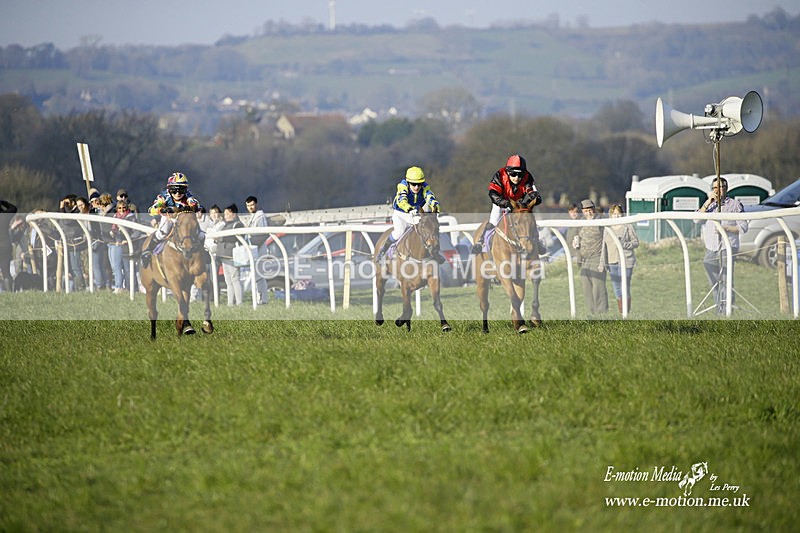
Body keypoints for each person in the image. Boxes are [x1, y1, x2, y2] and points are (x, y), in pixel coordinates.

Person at [696, 176, 748, 314]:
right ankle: (719, 305)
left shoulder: (735, 205)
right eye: (715, 188)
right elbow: (696, 219)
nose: (718, 190)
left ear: (726, 188)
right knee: (713, 277)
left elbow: (743, 227)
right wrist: (708, 202)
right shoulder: (710, 205)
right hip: (711, 247)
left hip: (728, 246)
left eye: (721, 187)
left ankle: (726, 309)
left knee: (726, 278)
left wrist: (725, 229)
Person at [472, 154, 542, 253]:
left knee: (528, 220)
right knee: (494, 220)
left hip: (518, 203)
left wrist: (531, 199)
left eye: (520, 175)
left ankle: (538, 242)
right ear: (508, 172)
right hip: (501, 201)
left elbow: (534, 194)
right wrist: (506, 203)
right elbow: (493, 194)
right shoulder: (499, 175)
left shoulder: (527, 177)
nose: (517, 178)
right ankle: (481, 241)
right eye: (513, 174)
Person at [376, 166, 443, 261]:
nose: (416, 187)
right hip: (401, 213)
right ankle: (383, 250)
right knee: (399, 232)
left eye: (419, 184)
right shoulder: (402, 187)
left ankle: (435, 253)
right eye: (413, 184)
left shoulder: (424, 187)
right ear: (408, 182)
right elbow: (402, 201)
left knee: (427, 228)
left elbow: (430, 198)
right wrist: (409, 208)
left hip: (415, 213)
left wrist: (436, 207)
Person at [141, 172, 202, 268]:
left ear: (185, 190)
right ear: (169, 189)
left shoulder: (189, 196)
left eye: (181, 190)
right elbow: (152, 209)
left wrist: (193, 206)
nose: (177, 193)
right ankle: (148, 252)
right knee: (162, 232)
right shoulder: (163, 196)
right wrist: (160, 209)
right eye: (174, 190)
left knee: (201, 234)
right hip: (169, 217)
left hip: (183, 218)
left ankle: (203, 252)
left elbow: (196, 205)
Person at [571, 199, 608, 315]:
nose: (588, 212)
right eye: (586, 210)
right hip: (583, 259)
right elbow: (576, 237)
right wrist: (575, 243)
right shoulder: (580, 222)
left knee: (598, 287)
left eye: (590, 210)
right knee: (586, 289)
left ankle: (602, 313)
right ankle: (593, 313)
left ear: (594, 209)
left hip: (597, 257)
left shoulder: (600, 221)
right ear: (582, 211)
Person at [603, 204, 639, 314]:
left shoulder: (627, 226)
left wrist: (624, 245)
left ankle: (626, 313)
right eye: (614, 214)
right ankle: (621, 312)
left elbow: (635, 242)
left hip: (626, 261)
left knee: (625, 287)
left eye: (618, 213)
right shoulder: (607, 228)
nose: (617, 216)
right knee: (617, 289)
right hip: (612, 261)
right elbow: (604, 246)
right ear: (611, 215)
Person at [108, 200, 140, 294]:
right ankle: (121, 287)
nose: (122, 210)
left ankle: (132, 288)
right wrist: (113, 235)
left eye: (124, 208)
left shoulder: (131, 217)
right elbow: (114, 231)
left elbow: (136, 232)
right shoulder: (115, 217)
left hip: (129, 245)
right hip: (118, 244)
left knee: (128, 269)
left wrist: (129, 239)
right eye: (119, 208)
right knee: (117, 267)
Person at [244, 195, 269, 305]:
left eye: (252, 205)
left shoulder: (260, 216)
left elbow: (263, 234)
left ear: (256, 204)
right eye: (248, 205)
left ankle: (263, 299)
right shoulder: (251, 217)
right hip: (253, 248)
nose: (250, 207)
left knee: (259, 275)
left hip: (259, 248)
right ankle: (259, 298)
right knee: (255, 275)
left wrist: (255, 245)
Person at [218, 204, 245, 306]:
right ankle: (230, 303)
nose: (225, 216)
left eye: (227, 214)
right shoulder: (225, 224)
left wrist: (221, 238)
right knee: (228, 281)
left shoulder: (237, 224)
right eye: (224, 214)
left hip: (231, 255)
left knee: (235, 279)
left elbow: (235, 237)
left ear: (233, 214)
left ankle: (239, 303)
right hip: (224, 255)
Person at [0, 200, 18, 292]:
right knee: (6, 272)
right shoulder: (5, 216)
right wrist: (3, 202)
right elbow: (14, 208)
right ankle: (9, 292)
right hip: (5, 246)